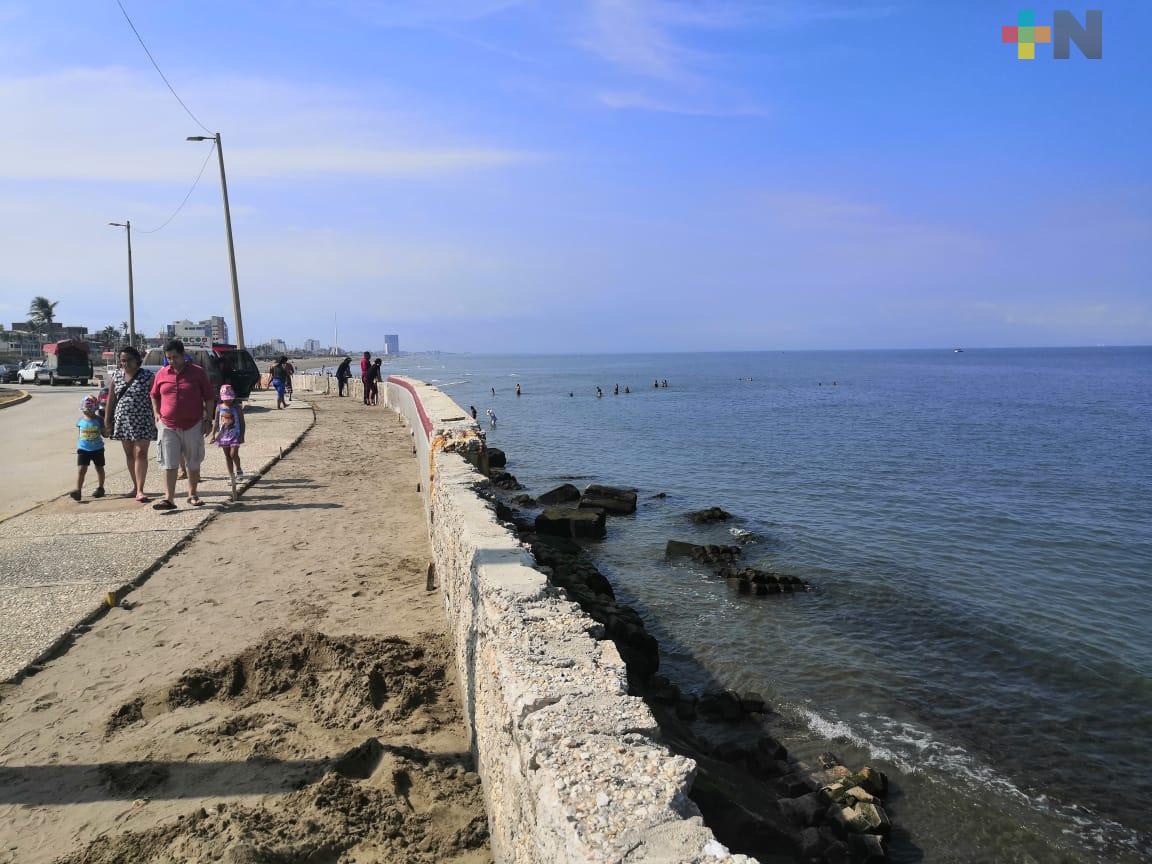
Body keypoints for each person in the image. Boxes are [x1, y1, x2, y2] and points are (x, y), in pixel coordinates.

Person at [149, 339, 215, 510]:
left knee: (193, 462)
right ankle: (169, 499)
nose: (172, 361)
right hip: (168, 425)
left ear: (183, 354)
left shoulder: (198, 372)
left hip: (193, 424)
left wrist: (209, 419)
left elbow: (209, 396)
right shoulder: (162, 374)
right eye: (169, 358)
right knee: (169, 463)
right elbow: (154, 395)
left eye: (175, 357)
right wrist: (156, 414)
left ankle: (192, 495)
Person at [104, 345, 157, 503]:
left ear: (137, 361)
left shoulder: (148, 376)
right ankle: (135, 487)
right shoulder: (117, 376)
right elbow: (111, 399)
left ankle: (140, 489)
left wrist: (157, 416)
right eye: (122, 361)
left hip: (143, 419)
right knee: (129, 454)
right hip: (123, 420)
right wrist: (107, 420)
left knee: (141, 453)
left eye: (128, 360)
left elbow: (156, 397)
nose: (125, 364)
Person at [210, 384, 246, 501]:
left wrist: (242, 435)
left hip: (235, 434)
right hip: (223, 435)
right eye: (226, 399)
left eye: (230, 398)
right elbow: (216, 423)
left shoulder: (237, 407)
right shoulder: (219, 407)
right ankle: (232, 476)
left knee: (233, 454)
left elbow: (242, 422)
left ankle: (239, 469)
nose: (229, 401)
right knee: (227, 456)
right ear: (222, 398)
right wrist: (213, 435)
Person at [71, 395, 106, 501]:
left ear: (95, 409)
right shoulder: (80, 420)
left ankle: (100, 487)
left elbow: (104, 433)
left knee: (99, 468)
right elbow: (80, 434)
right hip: (83, 449)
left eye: (90, 409)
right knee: (81, 469)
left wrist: (107, 430)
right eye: (85, 409)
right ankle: (78, 490)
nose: (87, 411)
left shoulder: (99, 420)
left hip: (97, 449)